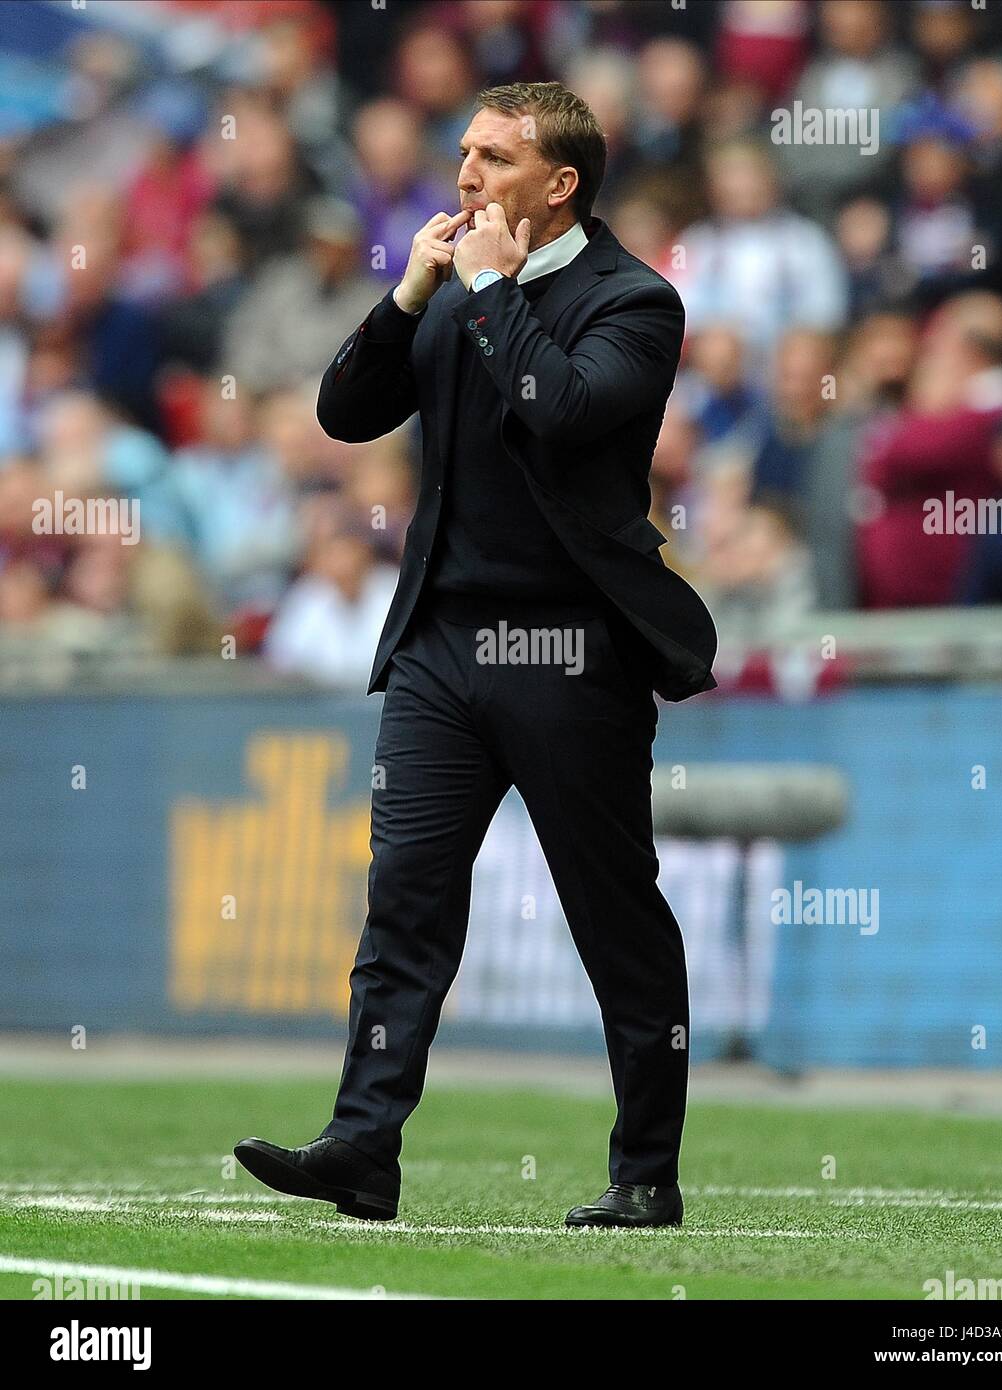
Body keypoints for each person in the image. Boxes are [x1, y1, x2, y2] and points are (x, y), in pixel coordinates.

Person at [235, 80, 718, 1230]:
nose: (465, 176)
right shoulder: (451, 289)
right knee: (403, 900)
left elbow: (558, 409)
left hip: (570, 649)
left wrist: (490, 290)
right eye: (463, 152)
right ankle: (363, 1145)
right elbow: (347, 413)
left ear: (561, 185)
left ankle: (647, 1168)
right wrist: (407, 299)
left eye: (495, 158)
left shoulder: (635, 302)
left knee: (614, 914)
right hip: (442, 644)